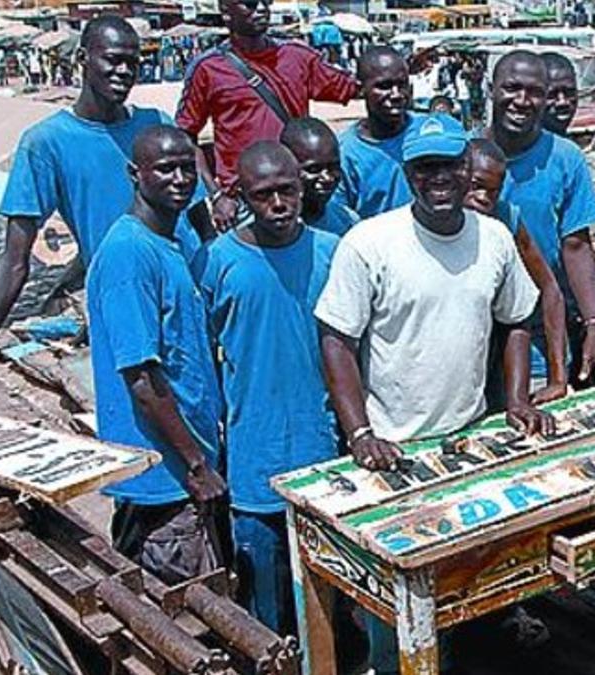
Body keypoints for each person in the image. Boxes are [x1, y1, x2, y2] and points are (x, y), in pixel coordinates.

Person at [315, 114, 552, 674]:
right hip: (392, 453)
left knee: (468, 591)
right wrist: (361, 434)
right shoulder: (369, 244)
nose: (438, 178)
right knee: (397, 613)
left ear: (467, 166)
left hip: (467, 445)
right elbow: (336, 339)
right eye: (424, 168)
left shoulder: (493, 237)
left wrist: (517, 399)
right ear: (408, 173)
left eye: (448, 165)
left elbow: (518, 317)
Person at [0, 16, 211, 413]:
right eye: (112, 59)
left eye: (133, 61)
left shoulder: (156, 127)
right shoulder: (47, 144)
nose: (124, 71)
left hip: (189, 299)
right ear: (82, 59)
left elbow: (203, 228)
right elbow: (14, 261)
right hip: (129, 307)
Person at [195, 141, 339, 633]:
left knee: (330, 599)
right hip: (253, 458)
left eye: (286, 191)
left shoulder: (331, 253)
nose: (277, 205)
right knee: (265, 601)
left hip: (324, 452)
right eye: (263, 196)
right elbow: (205, 357)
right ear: (242, 196)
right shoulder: (218, 261)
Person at [86, 125, 227, 583]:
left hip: (181, 468)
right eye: (166, 169)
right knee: (195, 614)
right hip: (166, 479)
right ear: (135, 173)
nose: (181, 179)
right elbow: (143, 379)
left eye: (188, 168)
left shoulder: (170, 242)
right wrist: (196, 465)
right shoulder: (129, 254)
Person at [481, 50, 595, 390]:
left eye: (534, 92)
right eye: (511, 88)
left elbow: (575, 245)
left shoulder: (565, 158)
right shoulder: (464, 154)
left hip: (539, 332)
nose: (522, 100)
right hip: (471, 328)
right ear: (490, 89)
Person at [176, 0, 358, 229]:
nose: (261, 9)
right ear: (225, 10)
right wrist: (216, 195)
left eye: (266, 2)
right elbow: (184, 137)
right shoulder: (207, 68)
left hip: (300, 197)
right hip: (244, 203)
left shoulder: (298, 56)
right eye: (250, 4)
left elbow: (352, 88)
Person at [466, 138, 568, 405]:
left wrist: (558, 378)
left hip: (507, 361)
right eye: (476, 186)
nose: (483, 199)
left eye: (493, 191)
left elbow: (550, 289)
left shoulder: (506, 219)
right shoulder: (435, 222)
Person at [337, 47, 426, 219]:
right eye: (384, 86)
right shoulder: (345, 153)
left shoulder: (429, 133)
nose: (396, 95)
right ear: (361, 89)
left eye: (402, 85)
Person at [279, 117, 359, 236]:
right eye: (313, 169)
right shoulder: (263, 234)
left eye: (333, 167)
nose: (328, 178)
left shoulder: (347, 223)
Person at [541, 52, 579, 136]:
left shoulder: (569, 148)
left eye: (569, 93)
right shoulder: (517, 146)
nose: (562, 102)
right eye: (551, 95)